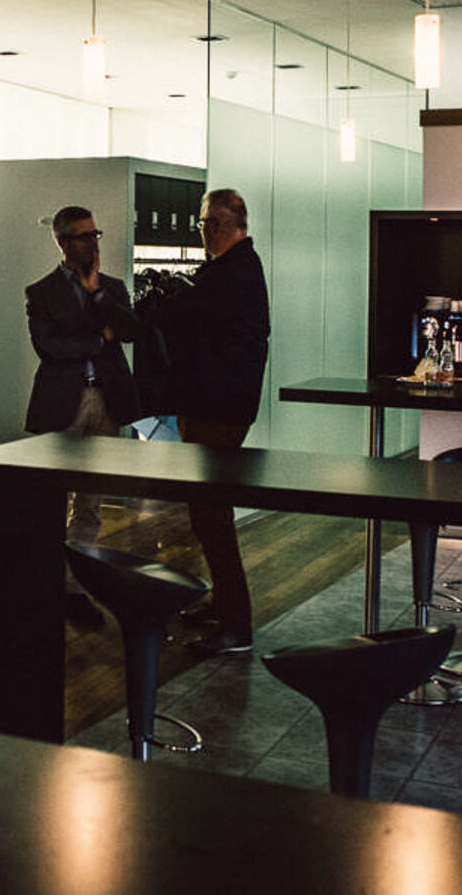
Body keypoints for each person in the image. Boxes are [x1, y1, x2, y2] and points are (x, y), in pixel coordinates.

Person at [158, 188, 270, 654]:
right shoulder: (240, 268)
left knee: (211, 515)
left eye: (203, 222)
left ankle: (235, 624)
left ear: (220, 225)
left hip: (215, 409)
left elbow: (184, 321)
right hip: (221, 406)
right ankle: (224, 606)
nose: (201, 231)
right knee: (208, 514)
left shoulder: (229, 274)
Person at [25, 205, 143, 625]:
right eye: (83, 236)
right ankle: (46, 583)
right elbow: (50, 348)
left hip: (107, 400)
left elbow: (131, 331)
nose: (93, 242)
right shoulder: (41, 292)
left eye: (96, 234)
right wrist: (99, 339)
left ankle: (75, 589)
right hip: (64, 403)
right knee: (53, 499)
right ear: (62, 241)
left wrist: (97, 296)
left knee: (91, 502)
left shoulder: (110, 287)